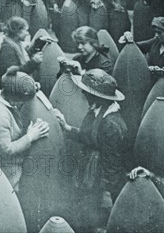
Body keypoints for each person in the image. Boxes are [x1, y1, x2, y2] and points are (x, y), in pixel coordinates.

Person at [54, 69, 128, 231]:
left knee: (95, 220)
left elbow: (112, 165)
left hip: (100, 183)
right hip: (91, 176)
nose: (83, 93)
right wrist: (67, 128)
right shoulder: (98, 110)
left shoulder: (112, 125)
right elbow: (90, 137)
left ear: (97, 96)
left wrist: (107, 195)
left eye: (86, 92)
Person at [0, 66, 50, 189]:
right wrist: (30, 136)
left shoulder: (2, 95)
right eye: (22, 101)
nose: (23, 104)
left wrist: (29, 87)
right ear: (14, 99)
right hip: (6, 172)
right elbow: (6, 150)